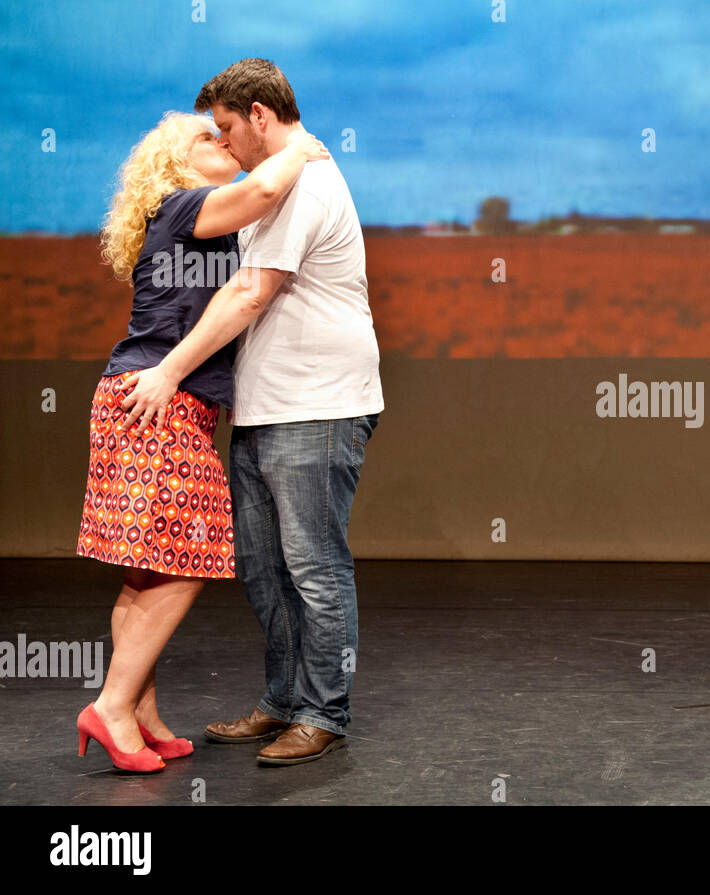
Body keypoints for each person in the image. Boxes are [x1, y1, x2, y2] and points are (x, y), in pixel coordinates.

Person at [122, 58, 384, 766]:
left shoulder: (306, 182)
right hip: (267, 406)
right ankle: (282, 699)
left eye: (230, 128)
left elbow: (247, 294)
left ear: (261, 117)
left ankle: (323, 711)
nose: (227, 145)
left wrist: (169, 370)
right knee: (264, 566)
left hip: (318, 404)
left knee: (313, 563)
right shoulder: (273, 184)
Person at [76, 111, 329, 772]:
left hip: (152, 403)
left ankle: (137, 708)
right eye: (206, 138)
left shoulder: (199, 221)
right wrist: (299, 146)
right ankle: (109, 705)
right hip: (154, 402)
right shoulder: (183, 205)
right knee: (189, 556)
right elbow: (265, 190)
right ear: (177, 164)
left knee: (148, 567)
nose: (222, 142)